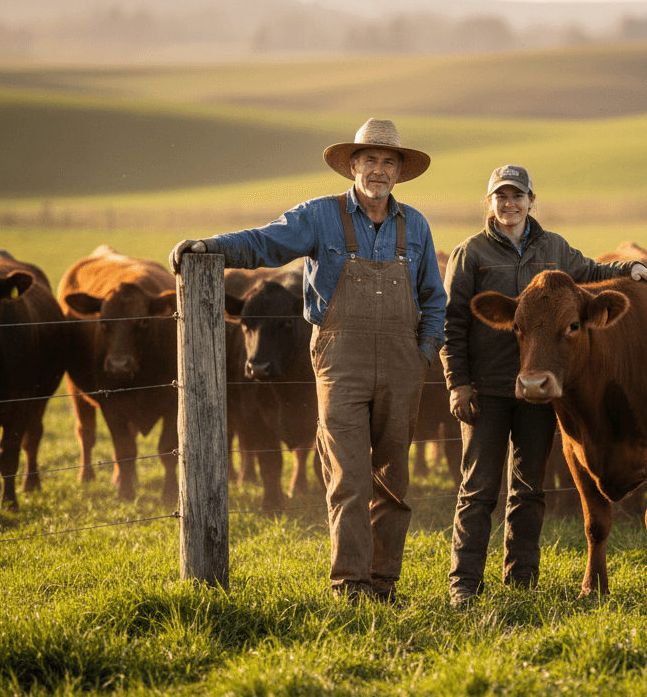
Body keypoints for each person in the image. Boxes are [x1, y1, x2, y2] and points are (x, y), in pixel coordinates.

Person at [168, 118, 446, 604]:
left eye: (388, 162)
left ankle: (384, 584)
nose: (378, 170)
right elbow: (264, 242)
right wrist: (212, 248)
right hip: (341, 362)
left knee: (394, 482)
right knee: (347, 477)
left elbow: (434, 299)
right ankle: (351, 585)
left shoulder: (415, 224)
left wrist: (422, 355)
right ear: (352, 166)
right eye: (370, 160)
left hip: (403, 366)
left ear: (399, 172)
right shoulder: (320, 216)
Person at [441, 164, 647, 606]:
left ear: (531, 200)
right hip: (487, 390)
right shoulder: (471, 254)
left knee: (528, 489)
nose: (509, 204)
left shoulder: (553, 248)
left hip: (540, 395)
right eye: (500, 197)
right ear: (489, 203)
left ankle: (521, 580)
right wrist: (458, 384)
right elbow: (454, 323)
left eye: (517, 196)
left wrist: (634, 267)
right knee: (478, 488)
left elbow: (592, 271)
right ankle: (464, 584)